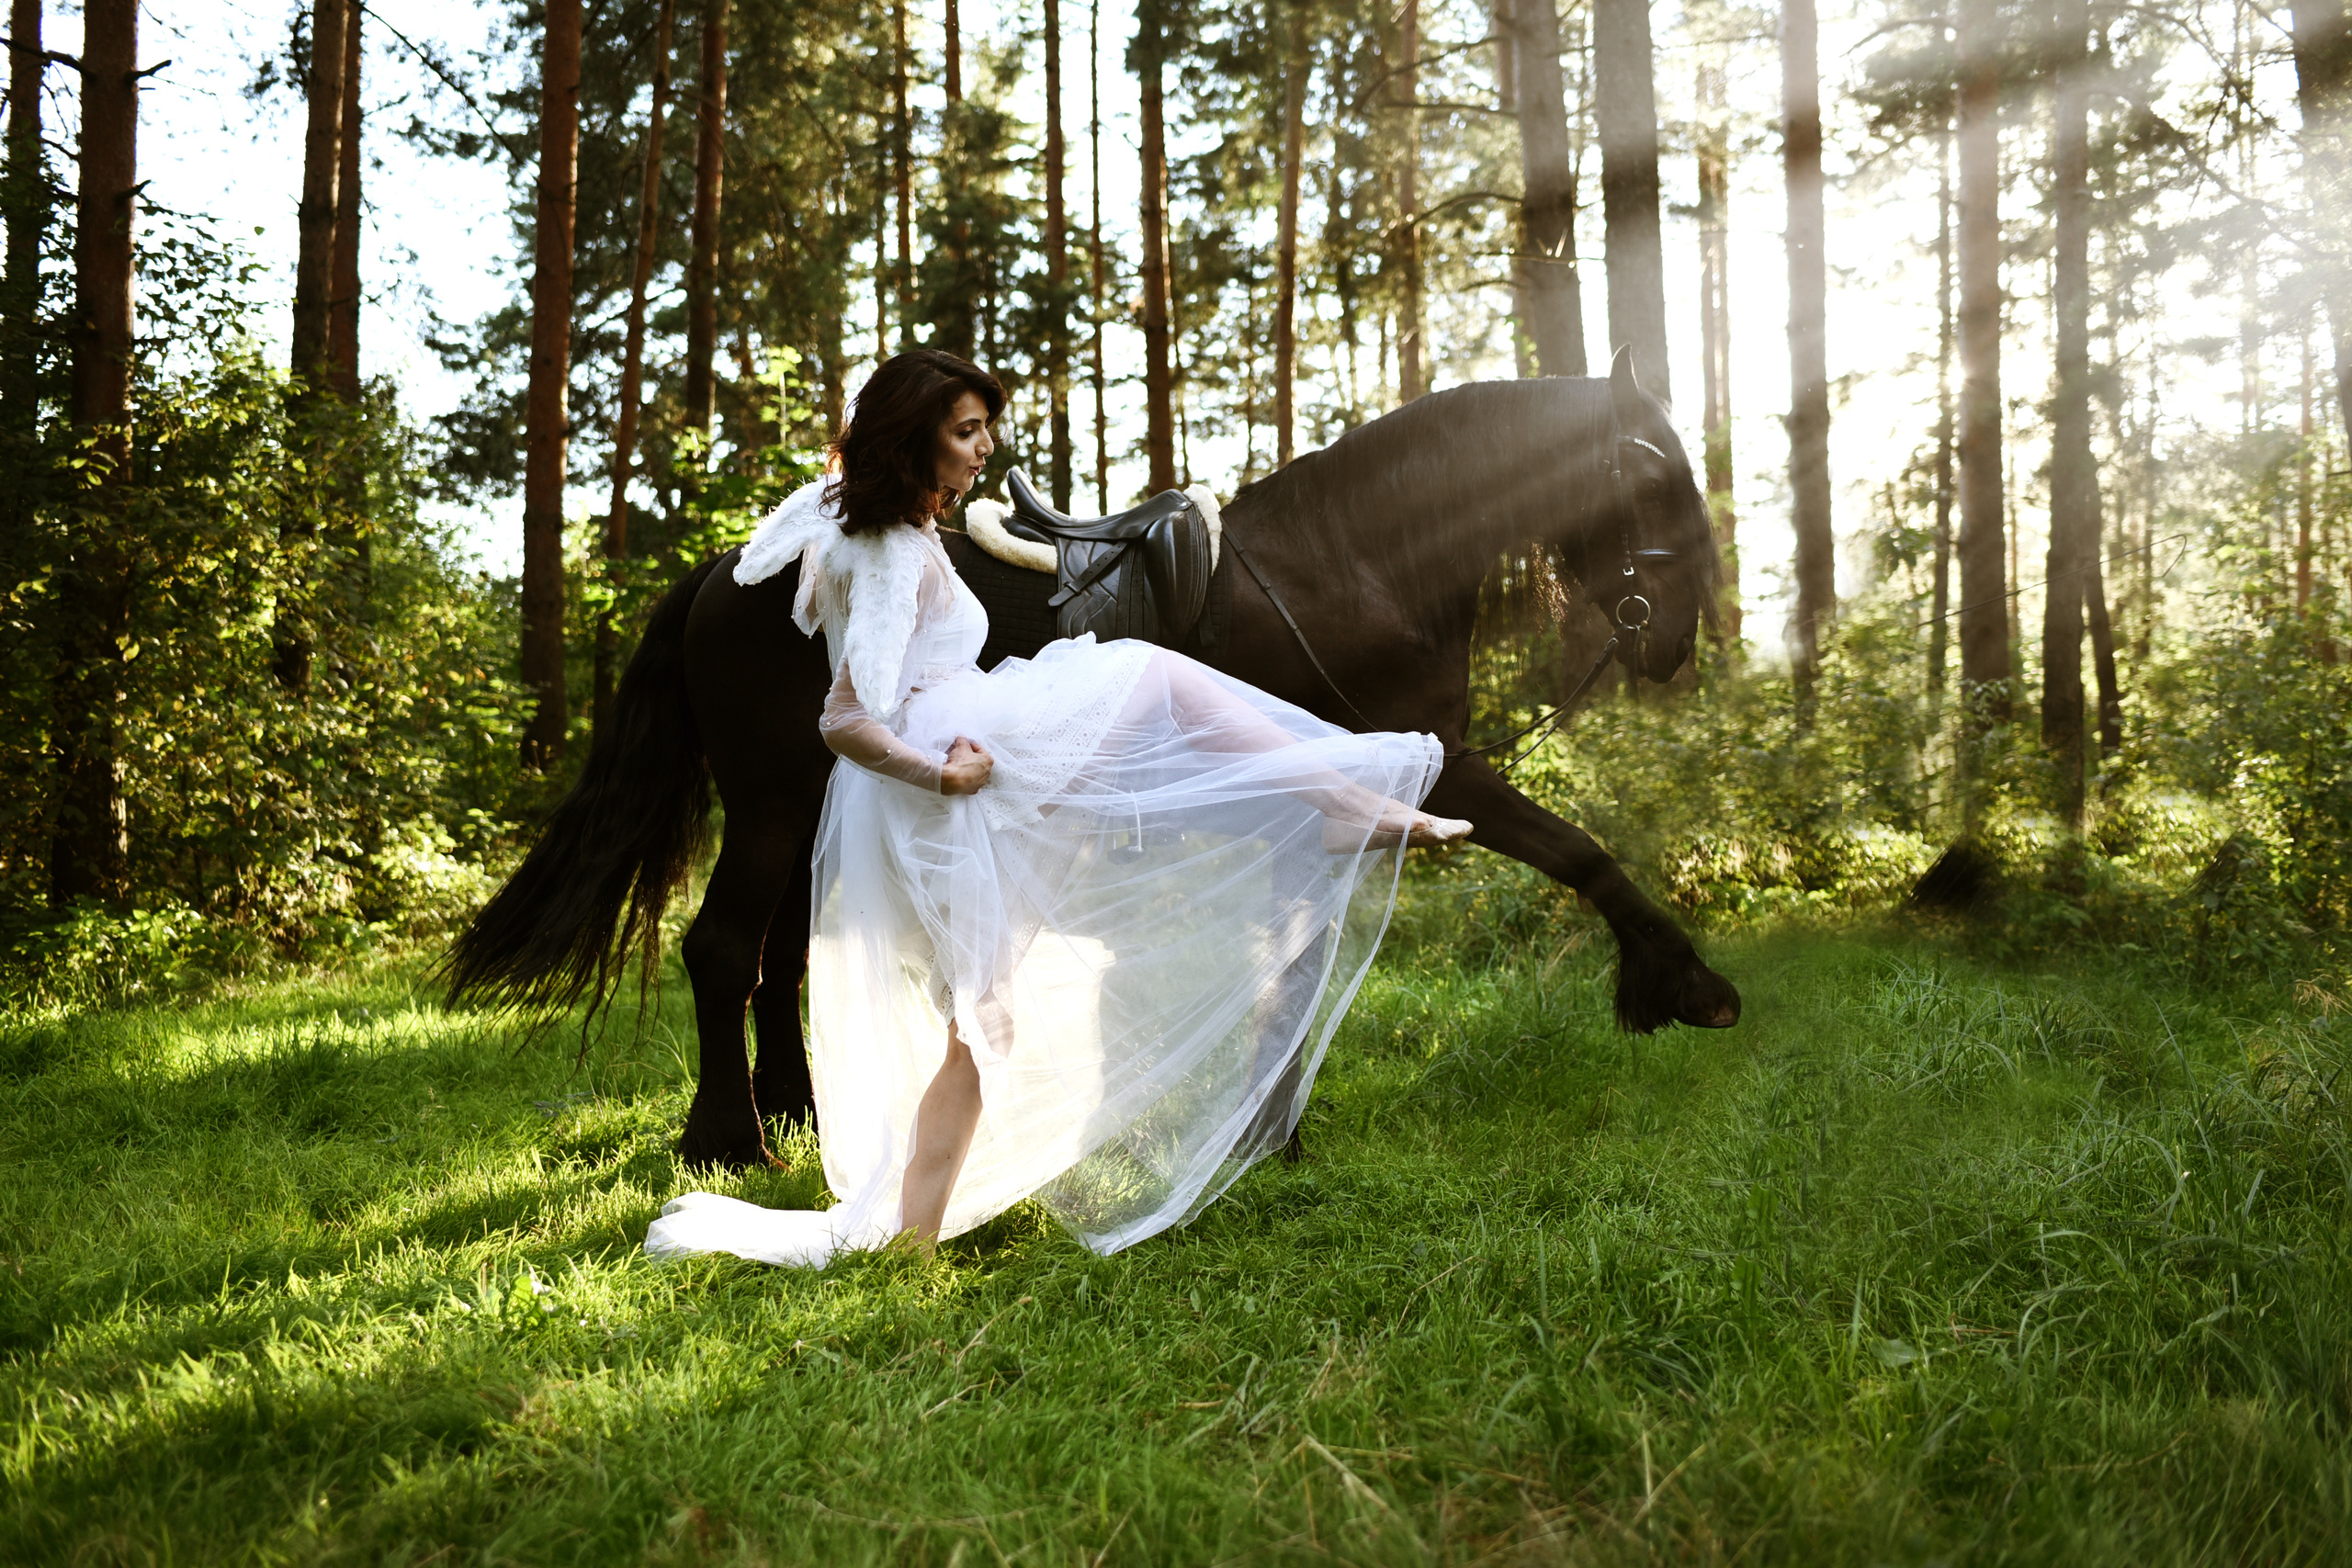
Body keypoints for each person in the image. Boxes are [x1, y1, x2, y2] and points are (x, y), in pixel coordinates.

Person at [645, 349, 1468, 1267]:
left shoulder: (883, 526)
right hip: (953, 769)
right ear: (914, 441)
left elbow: (821, 536)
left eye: (983, 429)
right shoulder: (888, 554)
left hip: (962, 749)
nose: (984, 448)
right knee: (1151, 677)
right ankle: (1342, 800)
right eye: (966, 432)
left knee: (986, 1024)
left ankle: (908, 1240)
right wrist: (939, 776)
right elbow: (842, 717)